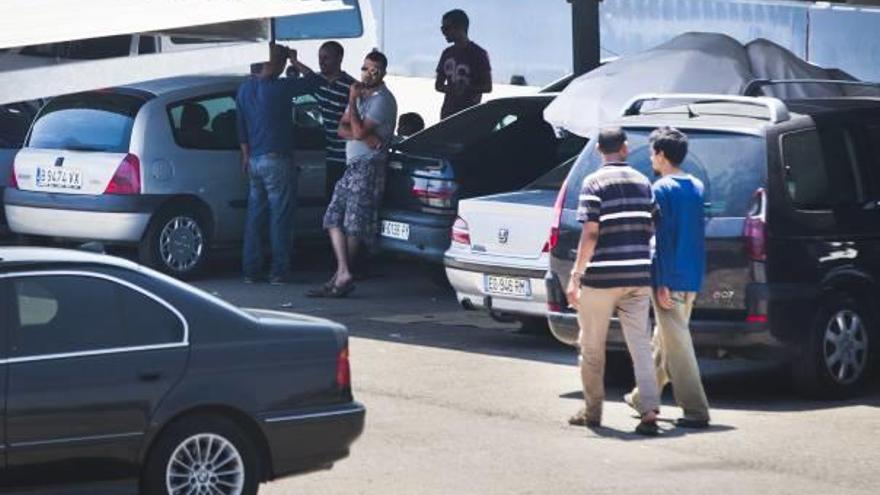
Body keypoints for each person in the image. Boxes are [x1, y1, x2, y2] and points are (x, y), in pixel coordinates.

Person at [566, 127, 661, 436]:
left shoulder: (593, 182)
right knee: (641, 346)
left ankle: (593, 412)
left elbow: (591, 233)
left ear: (598, 150)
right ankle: (649, 411)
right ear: (624, 148)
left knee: (592, 347)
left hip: (601, 279)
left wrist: (576, 275)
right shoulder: (643, 181)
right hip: (637, 276)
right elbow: (652, 225)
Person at [625, 127, 711, 429]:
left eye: (652, 153)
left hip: (668, 276)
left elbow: (660, 238)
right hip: (690, 274)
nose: (651, 158)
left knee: (678, 345)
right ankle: (640, 397)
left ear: (661, 155)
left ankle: (696, 410)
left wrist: (659, 281)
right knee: (666, 339)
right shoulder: (696, 186)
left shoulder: (660, 189)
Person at [307, 51, 397, 298]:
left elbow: (355, 129)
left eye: (374, 70)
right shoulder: (359, 95)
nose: (368, 74)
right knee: (332, 217)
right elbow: (341, 129)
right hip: (352, 165)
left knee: (353, 224)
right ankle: (343, 272)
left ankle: (341, 276)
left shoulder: (382, 100)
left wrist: (355, 114)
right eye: (365, 68)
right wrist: (363, 134)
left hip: (369, 166)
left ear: (382, 73)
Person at [236, 43, 313, 285]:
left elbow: (241, 127)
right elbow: (314, 82)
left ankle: (251, 270)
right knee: (280, 217)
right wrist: (295, 60)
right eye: (281, 62)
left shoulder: (244, 89)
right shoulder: (280, 88)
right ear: (276, 63)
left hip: (255, 160)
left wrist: (246, 155)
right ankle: (279, 271)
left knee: (254, 217)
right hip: (277, 158)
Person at [288, 41, 357, 197]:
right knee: (331, 202)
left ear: (339, 58)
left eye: (326, 58)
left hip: (347, 154)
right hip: (330, 154)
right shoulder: (318, 82)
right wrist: (294, 62)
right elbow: (309, 75)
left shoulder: (351, 86)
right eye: (320, 57)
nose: (321, 62)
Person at [435, 9, 492, 119]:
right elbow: (438, 85)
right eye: (442, 29)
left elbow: (487, 87)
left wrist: (466, 89)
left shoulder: (479, 53)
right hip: (447, 115)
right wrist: (452, 89)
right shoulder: (447, 53)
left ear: (460, 27)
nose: (444, 33)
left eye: (446, 28)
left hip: (470, 116)